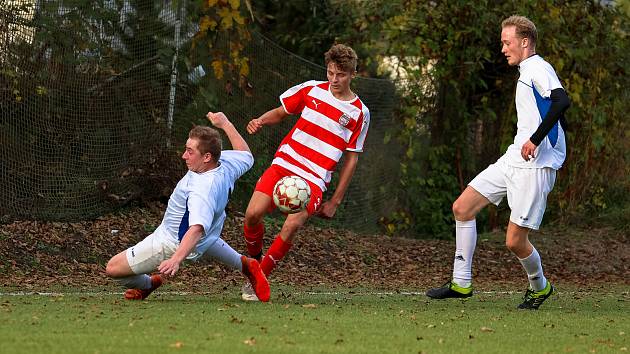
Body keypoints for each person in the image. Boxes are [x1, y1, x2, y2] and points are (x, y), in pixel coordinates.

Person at [426, 15, 570, 309]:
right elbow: (553, 111)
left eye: (507, 42)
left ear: (525, 42)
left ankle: (540, 287)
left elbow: (561, 101)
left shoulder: (538, 68)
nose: (503, 48)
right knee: (462, 207)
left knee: (515, 242)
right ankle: (461, 283)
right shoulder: (527, 71)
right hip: (513, 158)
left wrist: (537, 140)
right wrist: (532, 139)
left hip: (535, 166)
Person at [240, 44, 370, 301]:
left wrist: (336, 200)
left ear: (353, 74)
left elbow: (352, 159)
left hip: (314, 178)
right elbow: (281, 112)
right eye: (331, 72)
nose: (334, 79)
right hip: (284, 163)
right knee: (252, 214)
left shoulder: (360, 113)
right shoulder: (311, 89)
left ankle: (258, 279)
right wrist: (260, 120)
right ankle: (254, 263)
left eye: (340, 75)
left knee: (292, 224)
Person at [105, 112, 270, 302]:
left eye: (190, 151)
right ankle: (247, 265)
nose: (184, 156)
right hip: (210, 234)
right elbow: (246, 155)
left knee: (113, 268)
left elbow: (196, 229)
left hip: (172, 242)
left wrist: (176, 259)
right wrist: (226, 123)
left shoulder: (202, 188)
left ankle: (148, 284)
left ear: (207, 157)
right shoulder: (225, 162)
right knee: (207, 239)